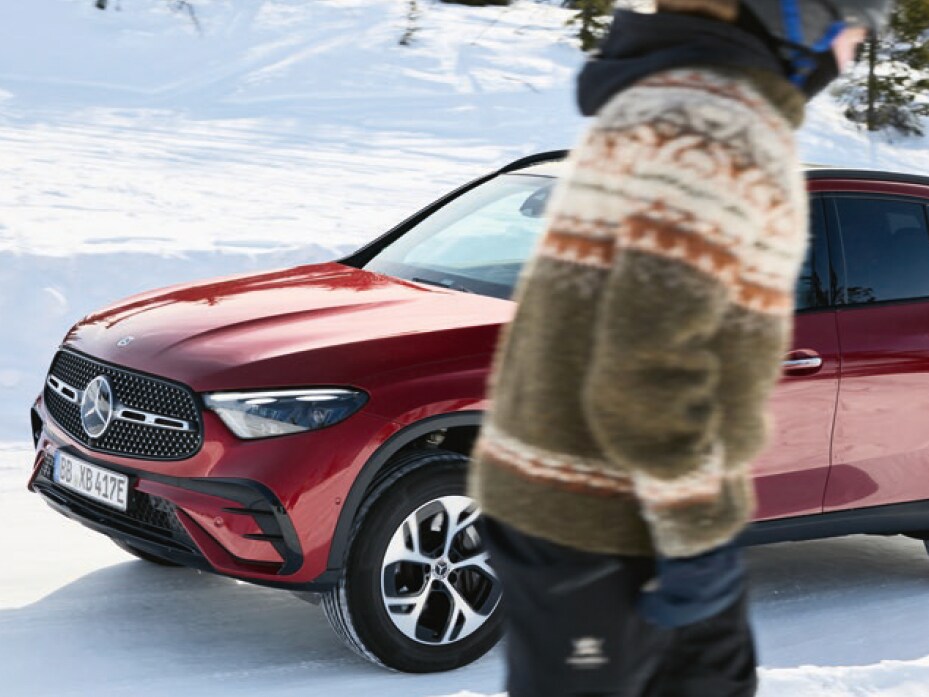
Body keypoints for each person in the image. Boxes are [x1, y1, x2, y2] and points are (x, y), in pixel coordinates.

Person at [468, 1, 891, 695]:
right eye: (848, 20)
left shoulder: (657, 101)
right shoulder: (721, 129)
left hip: (592, 499)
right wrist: (692, 533)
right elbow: (648, 360)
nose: (851, 46)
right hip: (606, 515)